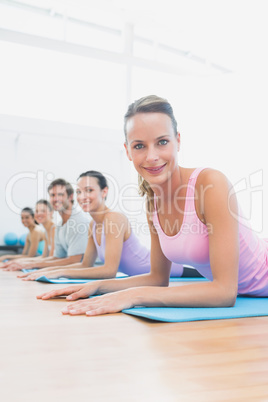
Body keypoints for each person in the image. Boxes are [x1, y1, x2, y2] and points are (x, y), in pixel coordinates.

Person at [37, 94, 268, 317]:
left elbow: (224, 292)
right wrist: (98, 285)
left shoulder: (210, 184)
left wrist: (134, 295)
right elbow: (157, 278)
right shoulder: (152, 203)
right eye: (139, 146)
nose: (151, 156)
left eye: (162, 142)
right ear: (127, 150)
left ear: (178, 140)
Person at [20, 170, 184, 281]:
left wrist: (61, 271)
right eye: (78, 191)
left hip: (178, 270)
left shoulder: (113, 219)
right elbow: (85, 264)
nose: (82, 196)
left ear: (104, 192)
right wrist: (48, 272)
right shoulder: (93, 224)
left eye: (89, 190)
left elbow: (109, 271)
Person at [7, 178, 90, 271]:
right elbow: (57, 257)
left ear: (70, 197)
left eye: (60, 194)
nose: (56, 199)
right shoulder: (59, 226)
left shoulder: (78, 223)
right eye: (52, 195)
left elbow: (74, 261)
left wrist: (34, 265)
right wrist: (26, 263)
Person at [2, 200, 56, 271]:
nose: (24, 220)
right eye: (22, 218)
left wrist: (7, 257)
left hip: (46, 262)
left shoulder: (38, 231)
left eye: (27, 217)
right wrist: (10, 259)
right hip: (43, 261)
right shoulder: (37, 233)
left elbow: (31, 256)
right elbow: (25, 254)